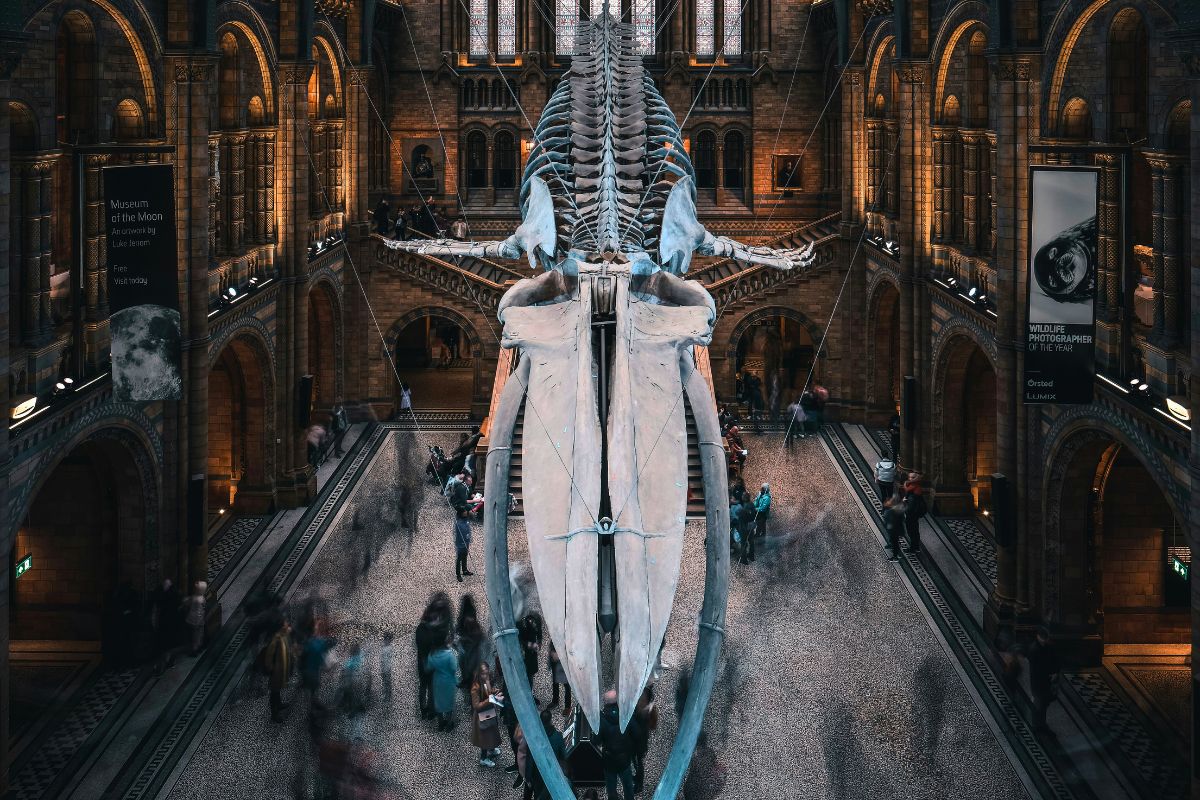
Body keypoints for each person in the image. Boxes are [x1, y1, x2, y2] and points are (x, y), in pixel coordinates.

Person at [416, 592, 453, 718]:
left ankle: (423, 709)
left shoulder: (420, 629)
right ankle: (431, 710)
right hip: (431, 661)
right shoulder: (434, 634)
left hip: (422, 660)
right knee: (431, 686)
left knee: (423, 685)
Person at [598, 689, 639, 800]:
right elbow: (636, 733)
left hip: (609, 760)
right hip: (624, 759)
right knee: (628, 786)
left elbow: (596, 741)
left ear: (605, 703)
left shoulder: (601, 720)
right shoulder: (627, 715)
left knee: (611, 788)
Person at [470, 663, 503, 766]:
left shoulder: (486, 681)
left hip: (488, 712)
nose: (486, 676)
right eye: (484, 674)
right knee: (484, 737)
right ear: (479, 674)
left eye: (487, 673)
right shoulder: (475, 688)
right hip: (482, 715)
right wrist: (489, 700)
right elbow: (476, 705)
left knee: (491, 732)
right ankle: (483, 758)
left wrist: (494, 691)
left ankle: (492, 749)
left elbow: (488, 691)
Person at [1028, 627, 1060, 733]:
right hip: (1038, 682)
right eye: (1043, 638)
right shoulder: (1034, 650)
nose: (1044, 640)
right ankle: (1036, 724)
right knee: (1039, 703)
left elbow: (1054, 660)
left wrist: (1055, 672)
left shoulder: (1048, 647)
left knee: (1044, 703)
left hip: (1046, 680)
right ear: (1038, 636)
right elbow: (1037, 669)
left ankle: (1041, 723)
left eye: (1045, 638)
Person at [426, 632, 460, 731]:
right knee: (449, 703)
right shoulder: (450, 655)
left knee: (439, 702)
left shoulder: (433, 654)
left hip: (437, 680)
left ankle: (440, 724)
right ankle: (449, 724)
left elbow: (429, 667)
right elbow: (454, 668)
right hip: (448, 680)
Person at [263, 617, 292, 722]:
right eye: (285, 623)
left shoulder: (282, 636)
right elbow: (268, 658)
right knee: (274, 692)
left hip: (281, 671)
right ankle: (274, 715)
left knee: (277, 690)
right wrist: (273, 670)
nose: (287, 624)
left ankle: (279, 704)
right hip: (276, 672)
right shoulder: (275, 640)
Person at [150, 578, 181, 673]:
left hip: (167, 625)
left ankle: (164, 665)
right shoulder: (171, 596)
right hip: (166, 625)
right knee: (166, 646)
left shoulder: (169, 596)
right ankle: (166, 663)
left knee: (166, 646)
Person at [519, 612, 543, 693]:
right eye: (531, 621)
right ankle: (527, 694)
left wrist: (538, 644)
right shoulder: (523, 624)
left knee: (530, 675)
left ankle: (530, 694)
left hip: (531, 655)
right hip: (522, 654)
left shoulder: (536, 623)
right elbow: (518, 639)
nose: (532, 623)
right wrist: (528, 644)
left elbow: (539, 634)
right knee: (523, 675)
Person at [902, 473, 927, 555]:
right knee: (914, 531)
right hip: (913, 514)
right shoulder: (914, 487)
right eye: (909, 477)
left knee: (912, 531)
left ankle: (914, 548)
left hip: (912, 514)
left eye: (912, 477)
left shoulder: (913, 491)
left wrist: (905, 504)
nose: (910, 478)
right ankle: (916, 547)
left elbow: (910, 506)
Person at [182, 581, 207, 656]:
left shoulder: (194, 598)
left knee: (194, 636)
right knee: (198, 635)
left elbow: (186, 603)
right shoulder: (201, 598)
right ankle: (197, 648)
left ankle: (194, 650)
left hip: (192, 619)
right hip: (199, 619)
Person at [547, 640, 571, 715]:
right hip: (555, 661)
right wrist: (551, 653)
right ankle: (555, 701)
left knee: (567, 685)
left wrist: (560, 655)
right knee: (555, 682)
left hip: (565, 663)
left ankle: (567, 706)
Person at [882, 495, 907, 561]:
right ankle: (896, 553)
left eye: (890, 501)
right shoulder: (896, 509)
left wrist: (889, 527)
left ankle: (895, 556)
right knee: (895, 542)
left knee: (895, 542)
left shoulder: (892, 511)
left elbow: (892, 521)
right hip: (896, 529)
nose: (888, 502)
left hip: (894, 530)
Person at [454, 507, 473, 582]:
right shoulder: (458, 523)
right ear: (461, 513)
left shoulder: (466, 519)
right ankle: (458, 574)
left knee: (465, 556)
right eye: (465, 511)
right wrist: (462, 542)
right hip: (461, 543)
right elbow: (459, 534)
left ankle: (465, 570)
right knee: (459, 559)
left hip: (466, 542)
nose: (466, 512)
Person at [380, 631, 395, 701]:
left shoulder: (388, 649)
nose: (384, 640)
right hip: (385, 667)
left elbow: (385, 660)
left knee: (387, 682)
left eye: (385, 639)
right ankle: (387, 695)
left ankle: (387, 696)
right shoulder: (386, 647)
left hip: (386, 668)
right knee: (386, 681)